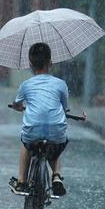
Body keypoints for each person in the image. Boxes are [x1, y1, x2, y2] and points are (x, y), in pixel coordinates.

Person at [9, 42, 69, 198]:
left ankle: (22, 182)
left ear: (30, 64)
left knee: (25, 143)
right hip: (56, 131)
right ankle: (56, 175)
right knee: (56, 147)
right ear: (50, 62)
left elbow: (17, 104)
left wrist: (18, 107)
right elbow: (64, 107)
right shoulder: (61, 84)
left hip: (33, 132)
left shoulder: (26, 85)